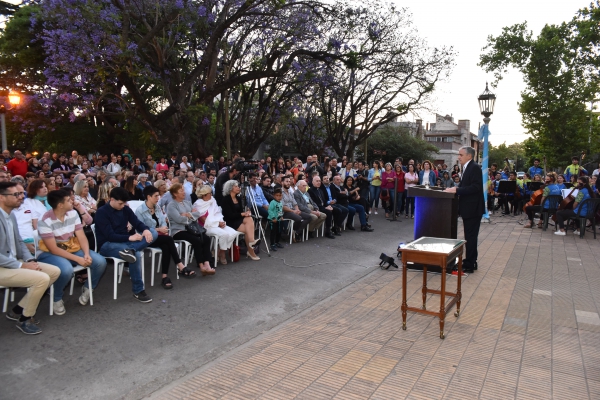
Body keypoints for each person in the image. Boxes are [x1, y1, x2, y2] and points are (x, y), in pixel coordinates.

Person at [0, 182, 60, 334]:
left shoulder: (10, 215)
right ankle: (25, 319)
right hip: (3, 266)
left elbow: (19, 241)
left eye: (21, 194)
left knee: (53, 272)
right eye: (16, 195)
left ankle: (17, 310)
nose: (21, 197)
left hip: (14, 262)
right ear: (1, 197)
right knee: (41, 279)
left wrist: (30, 260)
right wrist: (21, 266)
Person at [37, 189, 107, 314]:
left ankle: (88, 288)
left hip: (71, 247)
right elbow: (53, 249)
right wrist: (78, 259)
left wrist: (86, 254)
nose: (72, 201)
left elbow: (81, 236)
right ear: (60, 205)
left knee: (100, 262)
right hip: (50, 253)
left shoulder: (73, 213)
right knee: (66, 270)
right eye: (69, 200)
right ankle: (57, 298)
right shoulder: (44, 220)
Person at [95, 187, 158, 303]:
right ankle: (138, 290)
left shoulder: (125, 209)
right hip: (108, 245)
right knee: (136, 255)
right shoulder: (102, 212)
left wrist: (145, 230)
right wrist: (130, 237)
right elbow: (109, 235)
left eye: (124, 203)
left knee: (153, 232)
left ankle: (130, 250)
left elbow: (137, 222)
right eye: (120, 203)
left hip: (126, 243)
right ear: (111, 199)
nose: (123, 206)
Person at [136, 186, 191, 288]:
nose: (158, 198)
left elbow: (162, 221)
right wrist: (158, 230)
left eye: (158, 196)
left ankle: (164, 277)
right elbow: (141, 229)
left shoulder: (157, 208)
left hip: (160, 236)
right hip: (147, 238)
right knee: (169, 239)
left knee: (166, 246)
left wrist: (164, 228)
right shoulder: (140, 211)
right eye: (156, 196)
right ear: (148, 197)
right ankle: (180, 265)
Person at [444, 146, 485, 274]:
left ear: (469, 156)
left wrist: (457, 190)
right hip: (468, 208)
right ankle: (471, 261)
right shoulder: (467, 167)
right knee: (469, 236)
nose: (458, 157)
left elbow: (476, 187)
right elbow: (464, 185)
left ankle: (470, 264)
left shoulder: (474, 168)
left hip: (473, 209)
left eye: (461, 155)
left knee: (471, 236)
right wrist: (455, 189)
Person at [166, 183, 216, 274]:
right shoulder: (171, 205)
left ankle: (207, 263)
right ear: (175, 194)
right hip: (178, 230)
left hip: (191, 229)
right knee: (196, 240)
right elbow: (178, 219)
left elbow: (198, 214)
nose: (184, 192)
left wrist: (188, 214)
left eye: (183, 190)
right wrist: (191, 215)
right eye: (181, 190)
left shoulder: (187, 203)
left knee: (206, 238)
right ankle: (201, 266)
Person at [193, 185, 238, 265]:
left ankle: (220, 251)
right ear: (204, 195)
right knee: (224, 234)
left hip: (217, 223)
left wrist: (221, 221)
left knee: (234, 233)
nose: (211, 194)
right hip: (206, 226)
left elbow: (217, 212)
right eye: (210, 193)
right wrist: (217, 223)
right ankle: (222, 254)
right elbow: (203, 220)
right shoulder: (198, 204)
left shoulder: (212, 200)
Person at [221, 180, 260, 260]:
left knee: (248, 219)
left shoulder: (238, 198)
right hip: (230, 222)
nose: (239, 188)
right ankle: (251, 250)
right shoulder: (225, 200)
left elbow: (240, 212)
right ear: (230, 188)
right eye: (236, 186)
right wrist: (242, 214)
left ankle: (251, 245)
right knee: (248, 229)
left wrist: (246, 213)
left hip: (239, 220)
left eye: (238, 186)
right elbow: (229, 215)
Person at [281, 176, 310, 241]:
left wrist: (297, 210)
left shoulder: (290, 192)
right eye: (286, 181)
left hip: (293, 210)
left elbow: (295, 203)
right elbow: (282, 206)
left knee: (308, 217)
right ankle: (293, 232)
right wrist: (293, 211)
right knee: (299, 218)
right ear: (282, 183)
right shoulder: (280, 192)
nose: (288, 183)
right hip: (285, 212)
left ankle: (295, 232)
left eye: (289, 181)